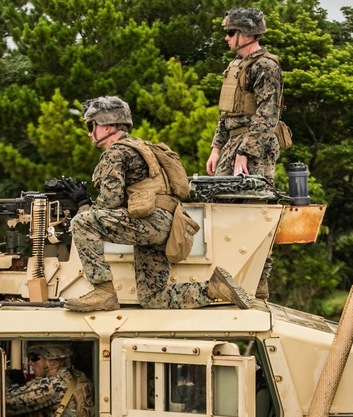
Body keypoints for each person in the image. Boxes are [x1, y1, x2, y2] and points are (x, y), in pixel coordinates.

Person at [63, 95, 250, 313]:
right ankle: (215, 289)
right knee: (154, 296)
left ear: (107, 126)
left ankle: (104, 292)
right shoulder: (143, 147)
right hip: (167, 226)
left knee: (82, 223)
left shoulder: (116, 152)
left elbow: (108, 206)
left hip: (148, 223)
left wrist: (84, 204)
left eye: (91, 125)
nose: (89, 132)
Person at [205, 7, 283, 299]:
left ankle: (258, 281)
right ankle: (228, 277)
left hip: (254, 147)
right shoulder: (237, 64)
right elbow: (226, 113)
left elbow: (267, 115)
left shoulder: (266, 66)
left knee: (254, 212)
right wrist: (217, 147)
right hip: (231, 145)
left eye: (231, 32)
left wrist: (247, 153)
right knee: (222, 211)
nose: (226, 38)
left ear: (247, 33)